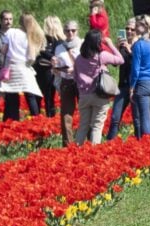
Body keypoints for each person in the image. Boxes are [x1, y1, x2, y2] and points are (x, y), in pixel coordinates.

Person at [73, 29, 123, 145]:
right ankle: (94, 153)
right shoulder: (102, 56)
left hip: (84, 96)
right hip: (99, 95)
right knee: (97, 125)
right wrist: (110, 44)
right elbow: (121, 60)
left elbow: (75, 77)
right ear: (97, 43)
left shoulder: (79, 58)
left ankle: (76, 150)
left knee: (83, 125)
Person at [0, 14, 43, 120]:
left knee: (12, 96)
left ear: (20, 22)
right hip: (24, 68)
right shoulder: (30, 36)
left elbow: (4, 50)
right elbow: (32, 57)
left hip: (11, 68)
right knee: (30, 96)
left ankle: (13, 121)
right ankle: (37, 119)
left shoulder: (11, 32)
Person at [105, 17, 137, 141]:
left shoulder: (139, 44)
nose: (129, 31)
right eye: (127, 28)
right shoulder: (123, 45)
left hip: (135, 86)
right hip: (123, 85)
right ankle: (110, 143)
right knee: (115, 118)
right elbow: (115, 63)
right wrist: (117, 49)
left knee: (137, 119)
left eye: (132, 29)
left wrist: (130, 50)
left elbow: (139, 64)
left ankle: (141, 143)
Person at [34, 17, 67, 118]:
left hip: (46, 71)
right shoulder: (62, 41)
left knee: (46, 97)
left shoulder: (47, 40)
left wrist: (47, 54)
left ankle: (46, 118)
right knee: (49, 98)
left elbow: (40, 52)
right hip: (53, 71)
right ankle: (49, 117)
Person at [57, 18, 82, 146]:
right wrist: (56, 67)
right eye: (67, 31)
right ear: (64, 32)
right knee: (66, 114)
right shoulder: (59, 48)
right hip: (66, 81)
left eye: (73, 30)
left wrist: (76, 68)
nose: (70, 33)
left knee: (85, 112)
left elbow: (89, 64)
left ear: (77, 31)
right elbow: (56, 70)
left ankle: (86, 142)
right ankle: (68, 144)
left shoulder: (83, 44)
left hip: (81, 82)